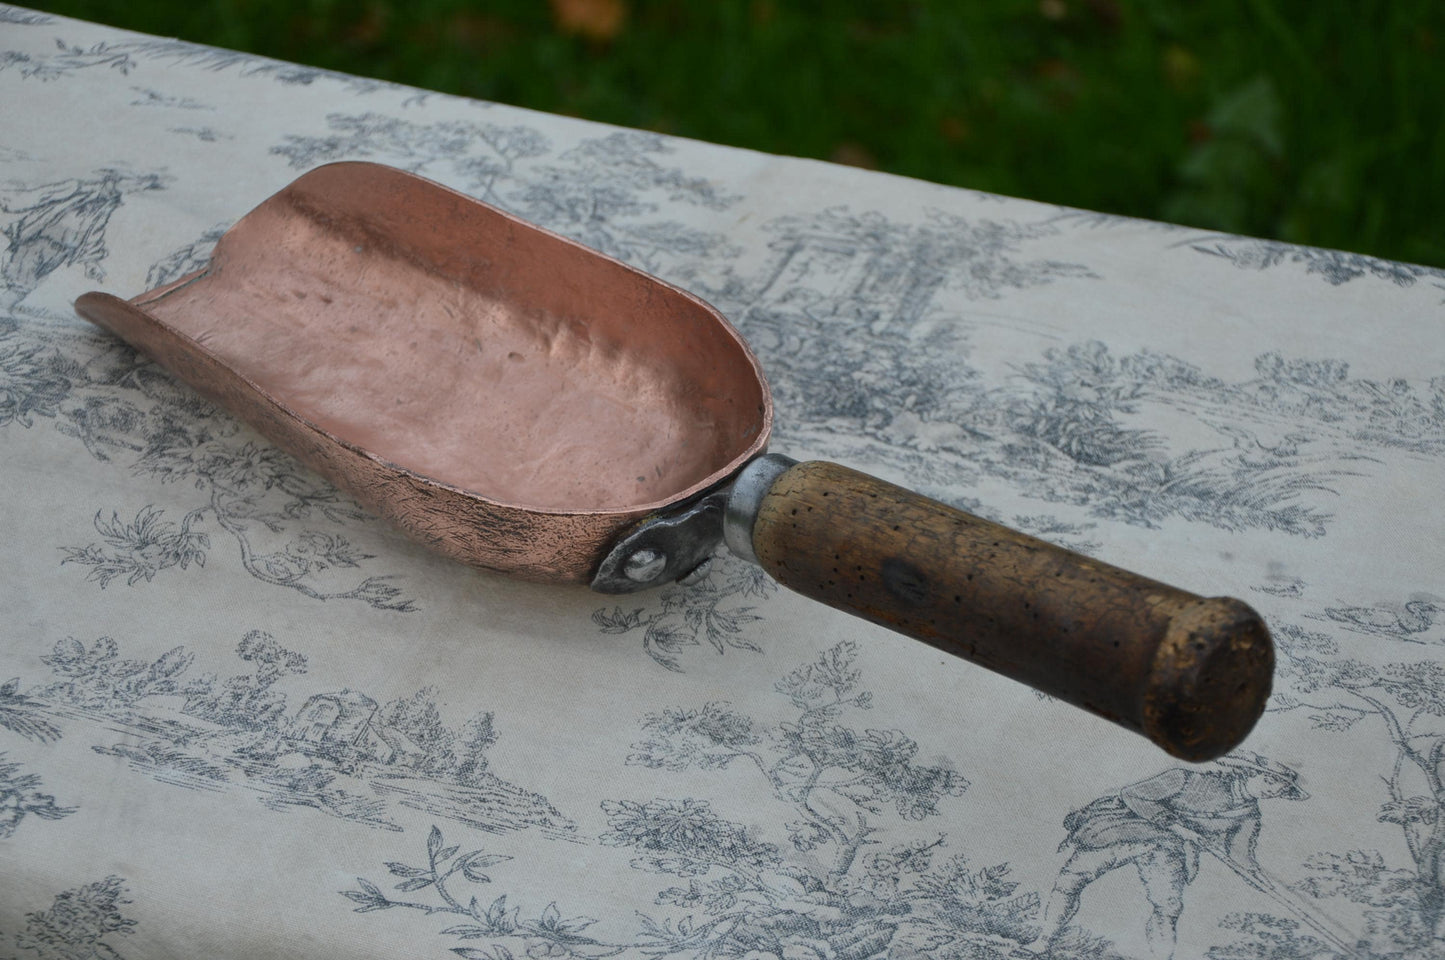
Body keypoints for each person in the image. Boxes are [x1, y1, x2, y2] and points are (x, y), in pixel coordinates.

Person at [1030, 753, 1307, 960]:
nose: (1272, 789)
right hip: (1124, 829)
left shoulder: (1248, 817)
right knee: (1071, 880)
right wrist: (1175, 824)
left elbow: (1240, 855)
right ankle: (1044, 941)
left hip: (1168, 848)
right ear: (1248, 772)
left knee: (1168, 908)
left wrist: (1259, 880)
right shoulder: (1187, 778)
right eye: (1269, 779)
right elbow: (1134, 795)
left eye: (1279, 788)